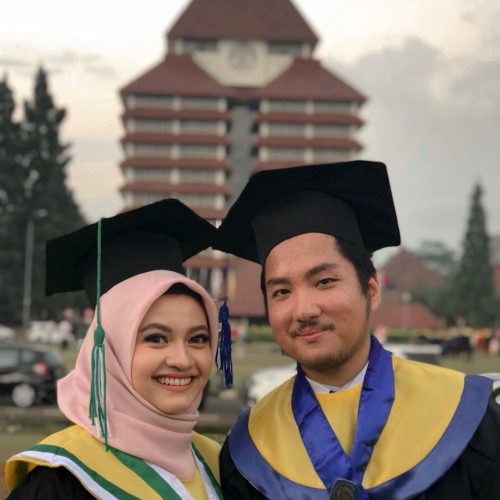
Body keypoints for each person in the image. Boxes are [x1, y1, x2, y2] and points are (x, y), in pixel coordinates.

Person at [215, 161, 500, 499]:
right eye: (281, 291)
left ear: (372, 290)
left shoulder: (466, 418)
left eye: (324, 281)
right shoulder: (248, 450)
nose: (304, 310)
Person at [5, 199, 224, 499]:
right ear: (109, 350)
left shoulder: (218, 465)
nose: (182, 359)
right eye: (156, 338)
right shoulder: (61, 481)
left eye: (198, 338)